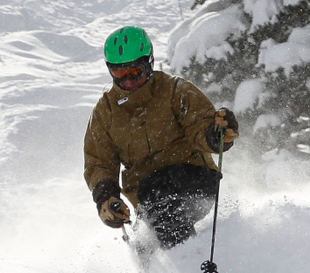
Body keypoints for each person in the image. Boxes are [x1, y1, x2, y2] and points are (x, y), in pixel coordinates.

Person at [83, 26, 239, 249]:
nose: (129, 82)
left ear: (149, 63)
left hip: (193, 177)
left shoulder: (176, 91)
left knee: (163, 197)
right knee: (150, 230)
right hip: (146, 195)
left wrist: (216, 135)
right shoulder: (106, 111)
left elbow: (199, 125)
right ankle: (164, 271)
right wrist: (105, 196)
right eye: (120, 75)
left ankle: (188, 262)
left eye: (134, 72)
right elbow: (99, 161)